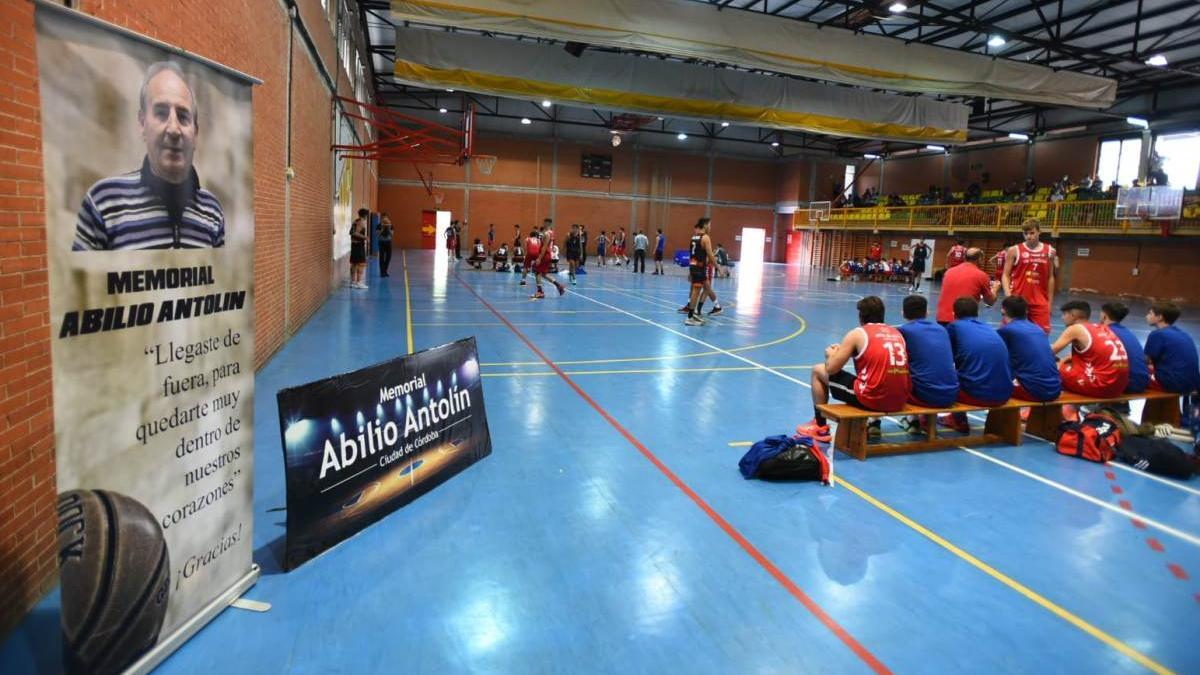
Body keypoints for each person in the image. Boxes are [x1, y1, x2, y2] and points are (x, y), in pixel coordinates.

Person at [74, 61, 225, 250]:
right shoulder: (102, 203)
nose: (173, 129)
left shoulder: (212, 211)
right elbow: (81, 279)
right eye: (161, 113)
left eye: (183, 116)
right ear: (142, 123)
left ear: (195, 133)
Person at [796, 296, 911, 442]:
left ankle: (820, 425)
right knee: (874, 375)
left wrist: (831, 355)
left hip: (874, 399)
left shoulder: (858, 333)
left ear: (861, 316)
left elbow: (831, 369)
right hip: (900, 399)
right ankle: (874, 422)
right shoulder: (896, 333)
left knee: (818, 370)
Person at [943, 298, 1013, 432]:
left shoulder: (954, 327)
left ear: (954, 314)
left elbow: (942, 360)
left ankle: (957, 420)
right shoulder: (988, 328)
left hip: (978, 395)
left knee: (939, 377)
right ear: (977, 313)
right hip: (1004, 394)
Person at [897, 295, 959, 434]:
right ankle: (912, 419)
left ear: (903, 313)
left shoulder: (903, 331)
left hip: (926, 395)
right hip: (951, 393)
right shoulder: (942, 329)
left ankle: (910, 420)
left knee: (895, 370)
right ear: (927, 312)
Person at [1051, 300, 1130, 399]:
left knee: (1052, 368)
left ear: (1072, 315)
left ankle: (1052, 408)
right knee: (1067, 364)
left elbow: (1048, 353)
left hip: (1103, 386)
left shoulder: (1075, 329)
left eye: (1064, 314)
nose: (1062, 318)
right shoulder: (1103, 328)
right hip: (1120, 387)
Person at [997, 296, 1062, 402]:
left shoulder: (1007, 331)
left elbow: (993, 360)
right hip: (1055, 388)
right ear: (1026, 312)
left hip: (1034, 390)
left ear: (1003, 311)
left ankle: (964, 418)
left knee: (991, 386)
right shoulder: (1038, 329)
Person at [1144, 302, 1200, 417]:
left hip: (1173, 383)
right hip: (1193, 383)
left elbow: (1144, 361)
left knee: (1134, 373)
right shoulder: (1184, 334)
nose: (1146, 316)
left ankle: (1120, 407)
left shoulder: (1157, 335)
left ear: (1160, 317)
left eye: (1150, 313)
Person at [1003, 219, 1057, 334]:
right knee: (1010, 335)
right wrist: (1008, 297)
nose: (1028, 236)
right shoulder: (1014, 250)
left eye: (1032, 233)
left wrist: (1050, 303)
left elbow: (1050, 278)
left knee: (1042, 335)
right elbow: (1005, 275)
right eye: (1025, 233)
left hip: (1040, 302)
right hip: (1018, 301)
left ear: (1039, 232)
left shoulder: (1050, 251)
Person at [936, 247, 998, 324]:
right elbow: (990, 301)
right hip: (963, 321)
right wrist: (995, 288)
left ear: (965, 258)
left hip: (942, 318)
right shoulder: (981, 275)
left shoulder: (948, 272)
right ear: (979, 260)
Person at [1100, 302, 1149, 394]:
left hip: (1128, 384)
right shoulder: (1128, 332)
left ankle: (1094, 405)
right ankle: (1119, 406)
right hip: (1142, 382)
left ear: (1104, 316)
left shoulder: (1104, 331)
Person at [684, 219, 719, 325]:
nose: (710, 227)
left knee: (707, 287)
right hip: (699, 267)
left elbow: (692, 255)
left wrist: (690, 271)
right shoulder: (705, 237)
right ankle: (690, 317)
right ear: (704, 225)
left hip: (695, 266)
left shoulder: (693, 237)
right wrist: (718, 267)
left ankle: (716, 306)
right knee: (696, 290)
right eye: (709, 225)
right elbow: (710, 255)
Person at [529, 225, 565, 299]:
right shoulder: (550, 235)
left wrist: (539, 258)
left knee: (537, 272)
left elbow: (544, 247)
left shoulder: (546, 235)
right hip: (548, 255)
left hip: (544, 255)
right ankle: (559, 285)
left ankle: (540, 292)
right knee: (544, 274)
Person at [350, 208, 369, 289]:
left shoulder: (355, 221)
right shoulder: (361, 222)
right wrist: (365, 237)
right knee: (361, 263)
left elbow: (351, 232)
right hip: (358, 246)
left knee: (354, 263)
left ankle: (353, 282)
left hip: (354, 245)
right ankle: (359, 282)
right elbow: (354, 233)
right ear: (365, 215)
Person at [376, 212, 393, 278]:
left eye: (385, 217)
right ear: (381, 219)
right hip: (382, 242)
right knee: (381, 257)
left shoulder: (390, 225)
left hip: (388, 242)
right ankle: (382, 272)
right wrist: (382, 228)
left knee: (388, 257)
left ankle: (385, 271)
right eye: (383, 218)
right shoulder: (379, 225)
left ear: (387, 218)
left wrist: (388, 228)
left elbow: (392, 235)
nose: (384, 219)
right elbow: (377, 234)